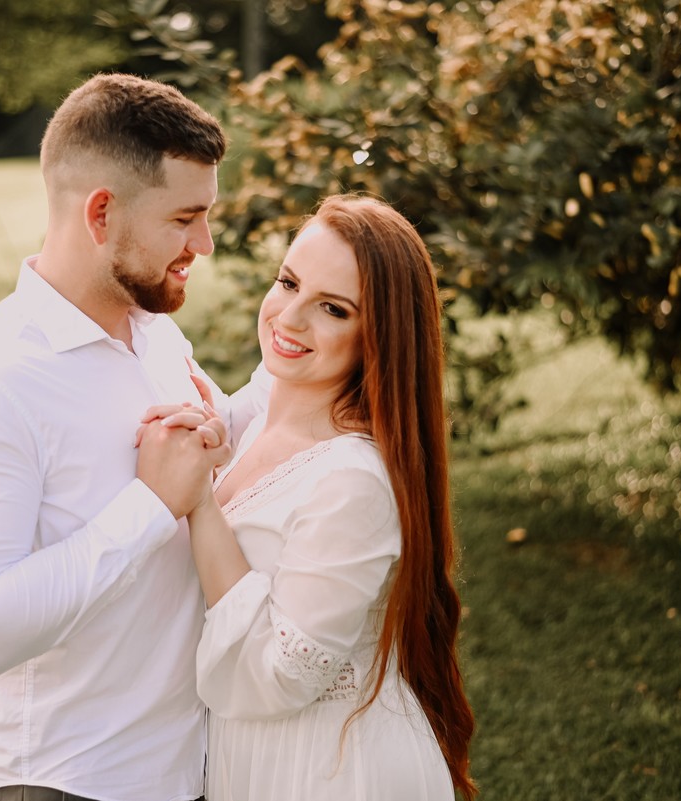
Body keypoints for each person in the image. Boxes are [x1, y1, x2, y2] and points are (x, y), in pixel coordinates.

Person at [0, 72, 262, 801]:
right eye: (185, 218)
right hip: (57, 781)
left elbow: (221, 442)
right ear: (101, 214)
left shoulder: (152, 331)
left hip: (177, 768)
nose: (204, 243)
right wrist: (150, 508)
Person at [138, 194, 477, 799]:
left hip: (326, 770)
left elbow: (283, 674)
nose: (289, 318)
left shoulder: (353, 479)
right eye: (289, 282)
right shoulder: (266, 412)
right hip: (254, 758)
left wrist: (200, 505)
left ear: (379, 336)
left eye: (333, 308)